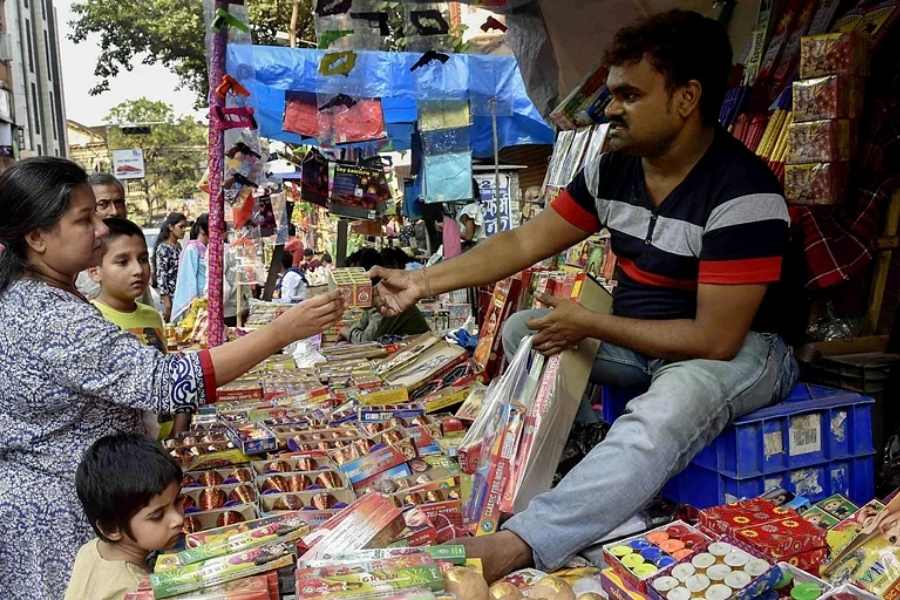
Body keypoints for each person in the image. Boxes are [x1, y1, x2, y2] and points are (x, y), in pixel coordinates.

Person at [370, 11, 798, 582]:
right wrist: (422, 281)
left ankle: (524, 541)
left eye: (629, 94)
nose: (610, 108)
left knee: (673, 401)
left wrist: (593, 326)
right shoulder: (613, 171)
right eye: (611, 92)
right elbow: (526, 239)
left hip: (744, 350)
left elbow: (714, 340)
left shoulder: (743, 193)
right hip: (650, 343)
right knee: (526, 330)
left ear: (686, 99)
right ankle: (563, 470)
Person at [0, 157, 345, 599]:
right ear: (36, 237)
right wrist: (279, 332)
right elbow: (166, 383)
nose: (102, 229)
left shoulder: (36, 294)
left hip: (77, 493)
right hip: (63, 509)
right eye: (85, 219)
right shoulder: (47, 313)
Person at [89, 217, 189, 439]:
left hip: (164, 437)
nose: (138, 270)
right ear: (95, 271)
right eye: (122, 261)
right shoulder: (93, 320)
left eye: (143, 259)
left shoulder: (151, 316)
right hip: (126, 447)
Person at [65, 433, 184, 600]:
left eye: (177, 501)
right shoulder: (137, 591)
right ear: (111, 528)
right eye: (157, 515)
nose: (178, 519)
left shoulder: (90, 550)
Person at [341, 248, 430, 343]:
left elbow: (366, 341)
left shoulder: (386, 301)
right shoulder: (372, 299)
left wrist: (346, 332)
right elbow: (361, 325)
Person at [75, 173, 128, 300]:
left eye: (119, 203)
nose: (114, 211)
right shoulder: (74, 258)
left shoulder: (133, 248)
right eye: (103, 204)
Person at [171, 214, 209, 323]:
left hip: (206, 301)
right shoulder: (192, 249)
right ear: (203, 230)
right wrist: (193, 304)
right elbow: (188, 279)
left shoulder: (207, 248)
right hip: (196, 303)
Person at [153, 212, 188, 321]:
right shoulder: (163, 248)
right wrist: (166, 300)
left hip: (181, 294)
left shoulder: (178, 246)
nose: (184, 230)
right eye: (181, 227)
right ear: (171, 227)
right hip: (171, 297)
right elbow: (161, 275)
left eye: (185, 227)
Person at [457, 179, 486, 246]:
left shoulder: (470, 208)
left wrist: (450, 231)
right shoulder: (472, 206)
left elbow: (468, 236)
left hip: (473, 249)